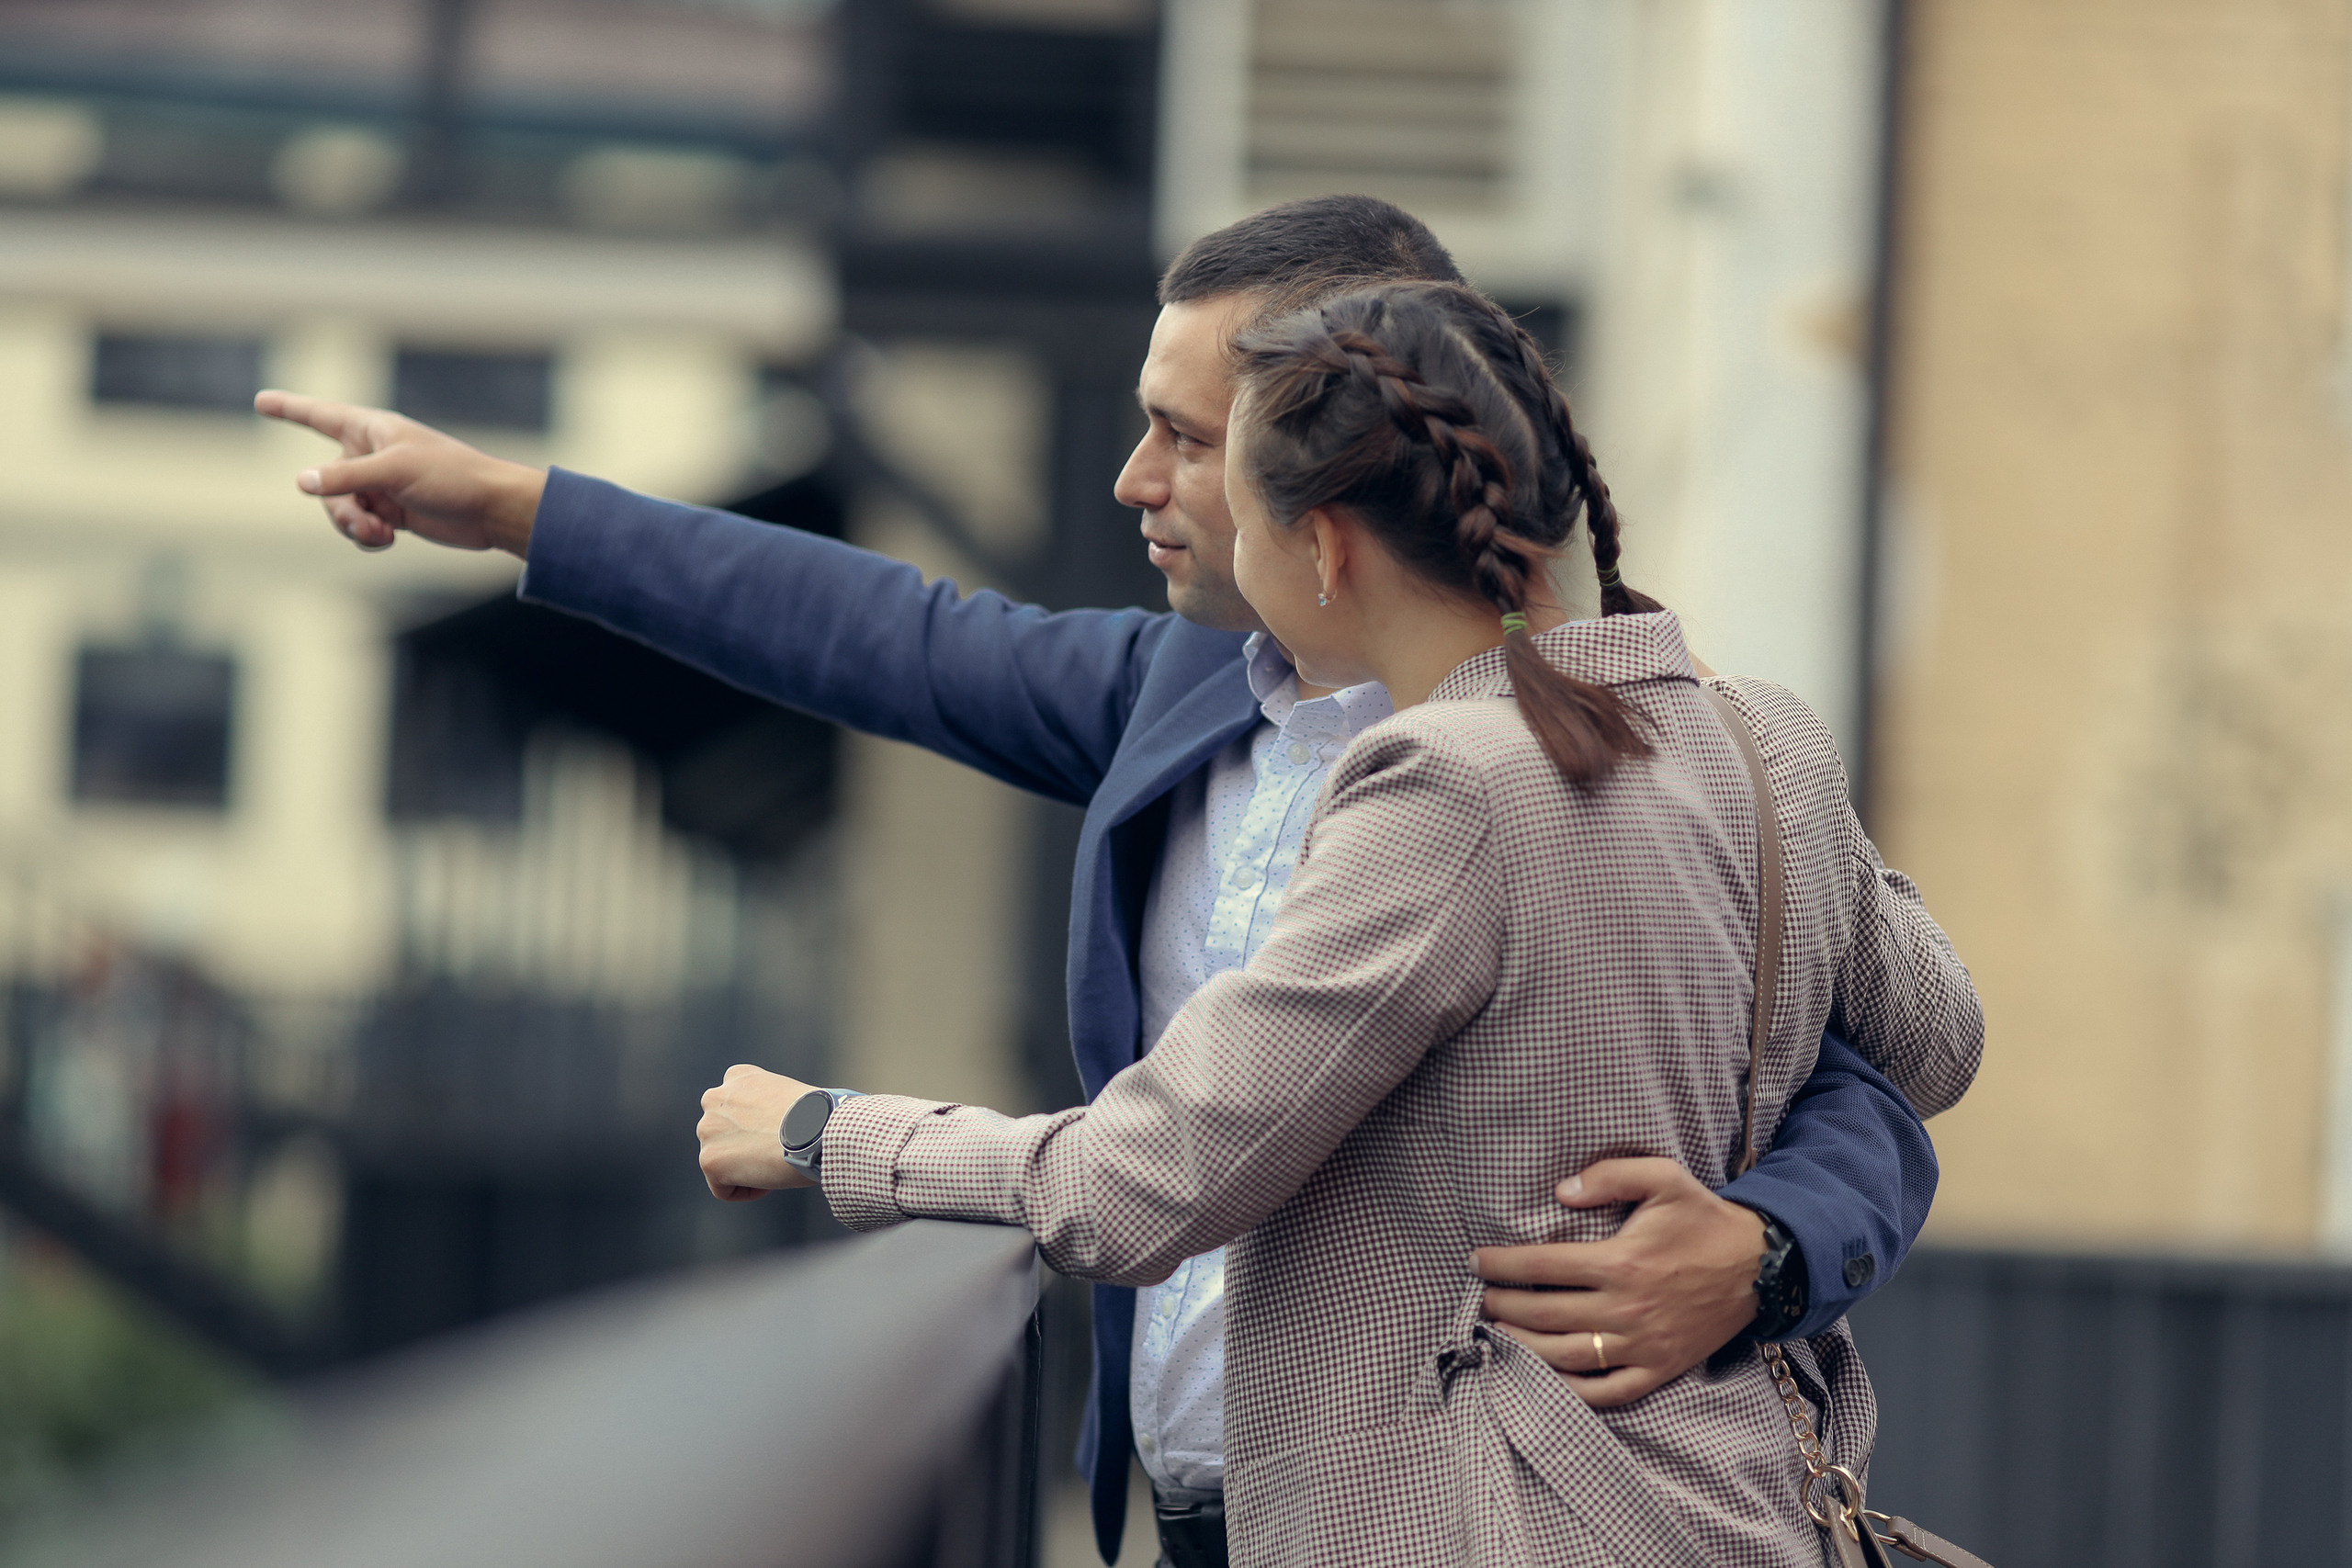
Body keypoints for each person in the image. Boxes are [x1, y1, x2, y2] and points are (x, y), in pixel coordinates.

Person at [258, 197, 1948, 1566]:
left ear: (1332, 467)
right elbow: (883, 632)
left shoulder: (1556, 760)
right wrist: (519, 508)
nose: (1135, 482)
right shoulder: (1210, 694)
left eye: (1189, 438)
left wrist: (1772, 1247)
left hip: (1491, 1512)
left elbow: (1862, 1066)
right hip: (1250, 1503)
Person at [697, 279, 1981, 1565]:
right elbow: (1937, 1042)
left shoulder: (1446, 782)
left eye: (1242, 504)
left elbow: (1142, 1182)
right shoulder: (1757, 736)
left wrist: (824, 1132)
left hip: (1501, 1528)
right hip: (1733, 1511)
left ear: (1323, 547)